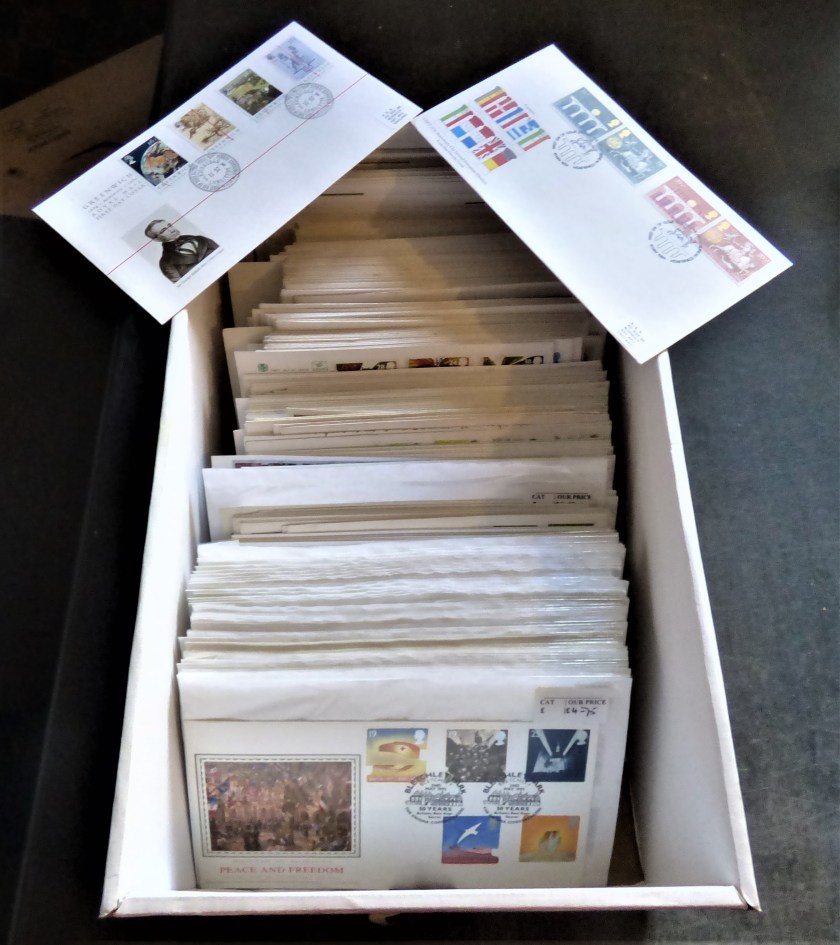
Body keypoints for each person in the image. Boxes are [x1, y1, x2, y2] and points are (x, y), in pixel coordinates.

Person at [144, 219, 218, 283]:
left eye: (170, 225)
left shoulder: (200, 238)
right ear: (157, 239)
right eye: (163, 230)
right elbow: (182, 285)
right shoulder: (165, 263)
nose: (171, 229)